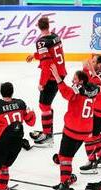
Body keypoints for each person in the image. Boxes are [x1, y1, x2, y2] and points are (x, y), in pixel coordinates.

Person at [50, 64, 99, 190]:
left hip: (73, 129)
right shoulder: (93, 89)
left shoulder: (77, 88)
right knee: (65, 155)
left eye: (75, 79)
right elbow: (93, 81)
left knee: (66, 158)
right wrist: (87, 70)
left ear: (81, 81)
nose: (73, 81)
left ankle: (64, 185)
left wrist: (58, 79)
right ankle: (67, 178)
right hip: (85, 130)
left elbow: (66, 93)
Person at [26, 17, 67, 146]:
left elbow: (46, 64)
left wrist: (41, 83)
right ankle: (48, 131)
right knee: (46, 105)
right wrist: (35, 55)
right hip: (60, 73)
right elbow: (51, 54)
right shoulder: (55, 36)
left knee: (44, 105)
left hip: (52, 77)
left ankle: (48, 136)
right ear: (48, 25)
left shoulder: (41, 42)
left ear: (38, 26)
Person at [80, 54, 101, 174]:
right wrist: (85, 69)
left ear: (99, 65)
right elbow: (88, 82)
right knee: (96, 134)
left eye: (93, 62)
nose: (91, 63)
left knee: (89, 135)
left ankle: (92, 161)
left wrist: (89, 69)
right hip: (99, 109)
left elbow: (92, 82)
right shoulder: (100, 74)